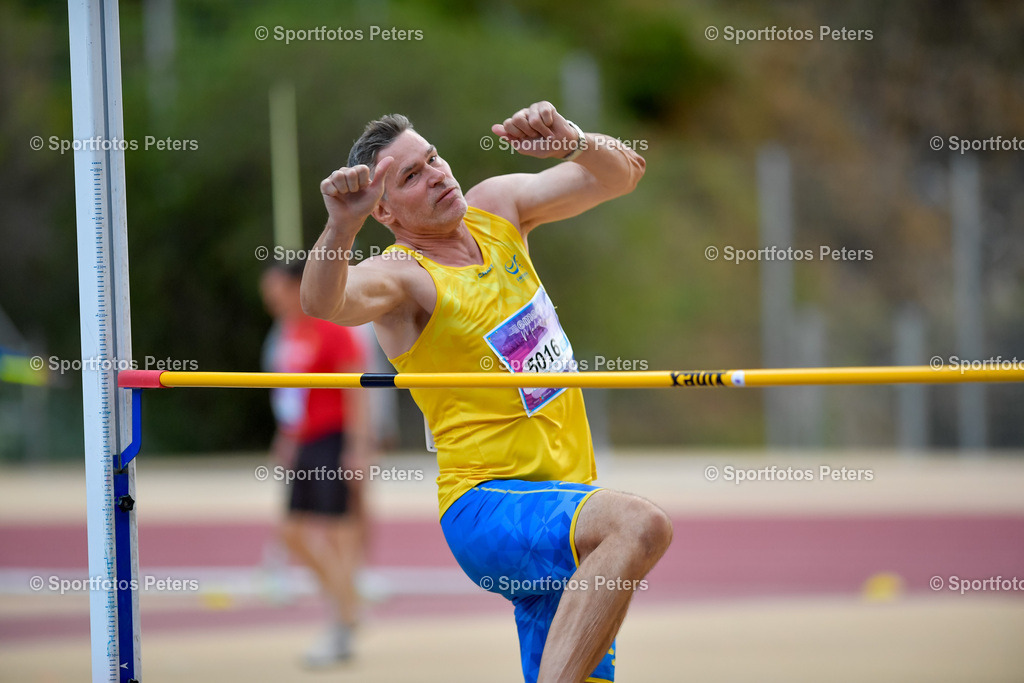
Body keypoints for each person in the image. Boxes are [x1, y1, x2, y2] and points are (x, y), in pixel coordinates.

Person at [301, 101, 672, 683]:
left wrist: (572, 138)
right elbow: (324, 303)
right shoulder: (403, 278)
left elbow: (621, 174)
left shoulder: (498, 208)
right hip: (488, 506)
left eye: (433, 158)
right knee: (639, 525)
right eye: (411, 177)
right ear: (386, 213)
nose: (437, 175)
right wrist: (339, 226)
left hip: (564, 500)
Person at [259, 260, 372, 668]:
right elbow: (292, 393)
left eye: (276, 291)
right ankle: (345, 606)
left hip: (333, 439)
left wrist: (357, 448)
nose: (270, 300)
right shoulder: (290, 333)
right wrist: (287, 436)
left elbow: (356, 391)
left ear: (295, 288)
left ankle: (343, 624)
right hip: (305, 441)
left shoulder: (331, 329)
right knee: (292, 533)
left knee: (340, 536)